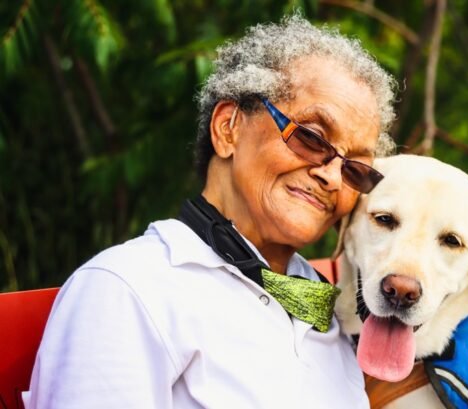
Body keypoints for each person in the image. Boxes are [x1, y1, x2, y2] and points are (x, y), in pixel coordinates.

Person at [23, 14, 397, 408]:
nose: (333, 178)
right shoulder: (128, 289)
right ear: (228, 128)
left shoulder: (333, 309)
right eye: (311, 137)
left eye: (355, 168)